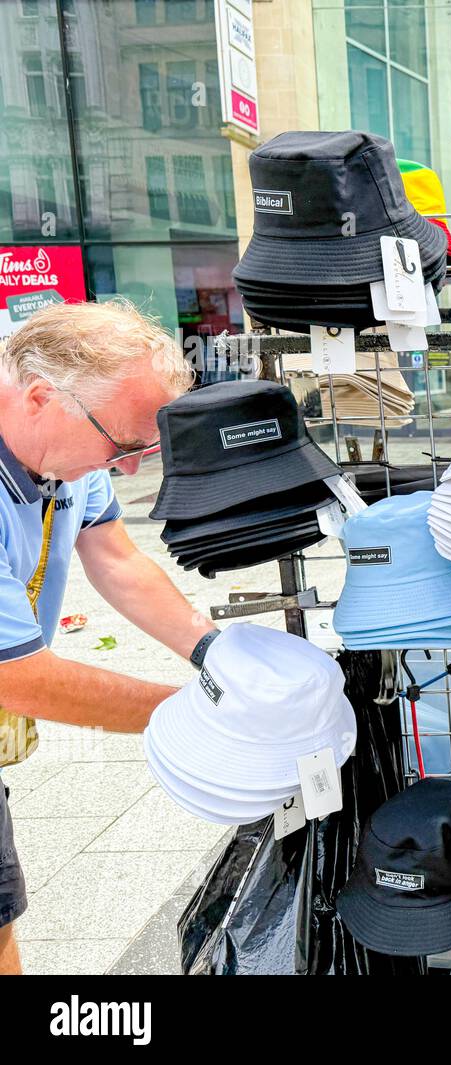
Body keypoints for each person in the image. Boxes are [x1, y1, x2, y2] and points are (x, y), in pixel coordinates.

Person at [0, 301, 217, 975]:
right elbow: (19, 677)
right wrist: (203, 712)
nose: (127, 469)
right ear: (41, 397)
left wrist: (214, 651)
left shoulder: (66, 454)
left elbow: (116, 559)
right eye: (123, 445)